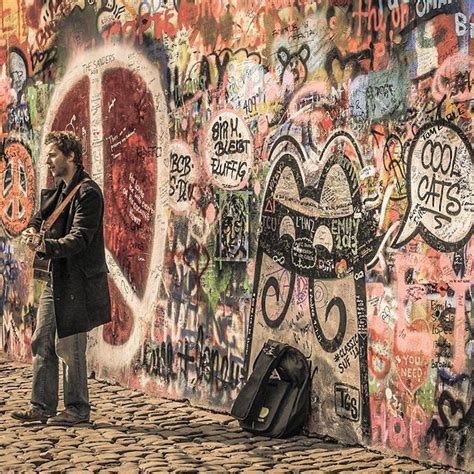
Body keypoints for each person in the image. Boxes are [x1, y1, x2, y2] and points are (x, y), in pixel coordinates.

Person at [11, 131, 111, 426]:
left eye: (53, 155)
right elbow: (39, 219)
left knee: (69, 346)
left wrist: (45, 245)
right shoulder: (58, 190)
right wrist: (32, 231)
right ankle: (41, 406)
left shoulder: (88, 193)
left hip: (76, 281)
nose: (48, 161)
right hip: (56, 277)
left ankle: (78, 409)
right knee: (43, 340)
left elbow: (80, 238)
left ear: (71, 156)